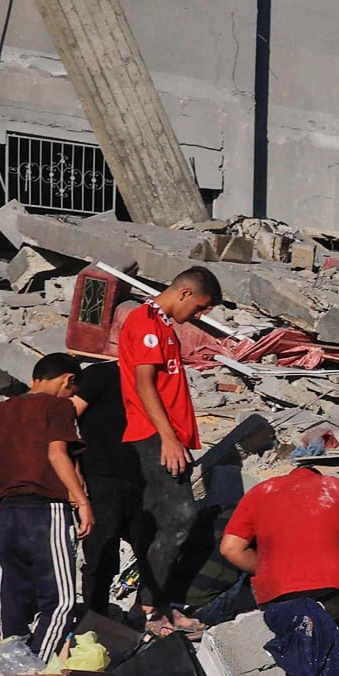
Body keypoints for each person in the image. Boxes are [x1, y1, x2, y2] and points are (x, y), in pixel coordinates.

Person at [0, 353, 93, 657]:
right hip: (46, 512)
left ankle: (13, 665)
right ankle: (36, 671)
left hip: (9, 514)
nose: (71, 395)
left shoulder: (1, 410)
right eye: (72, 390)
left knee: (16, 597)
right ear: (68, 380)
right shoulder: (59, 406)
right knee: (61, 601)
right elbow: (57, 455)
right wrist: (81, 501)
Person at [120, 268, 223, 632]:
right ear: (183, 292)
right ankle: (147, 607)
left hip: (167, 437)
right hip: (153, 437)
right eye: (199, 307)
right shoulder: (145, 323)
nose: (198, 316)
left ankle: (159, 602)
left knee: (173, 522)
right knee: (180, 518)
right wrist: (166, 437)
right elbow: (144, 384)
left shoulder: (162, 326)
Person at [217, 465, 339, 640]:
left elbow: (230, 548)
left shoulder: (259, 492)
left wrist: (268, 570)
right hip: (336, 593)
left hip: (277, 601)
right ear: (318, 475)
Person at [74, 357, 150, 618]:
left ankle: (143, 612)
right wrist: (73, 468)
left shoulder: (152, 380)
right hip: (100, 475)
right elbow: (66, 417)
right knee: (100, 553)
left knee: (151, 548)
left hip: (142, 478)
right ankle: (94, 618)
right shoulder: (101, 374)